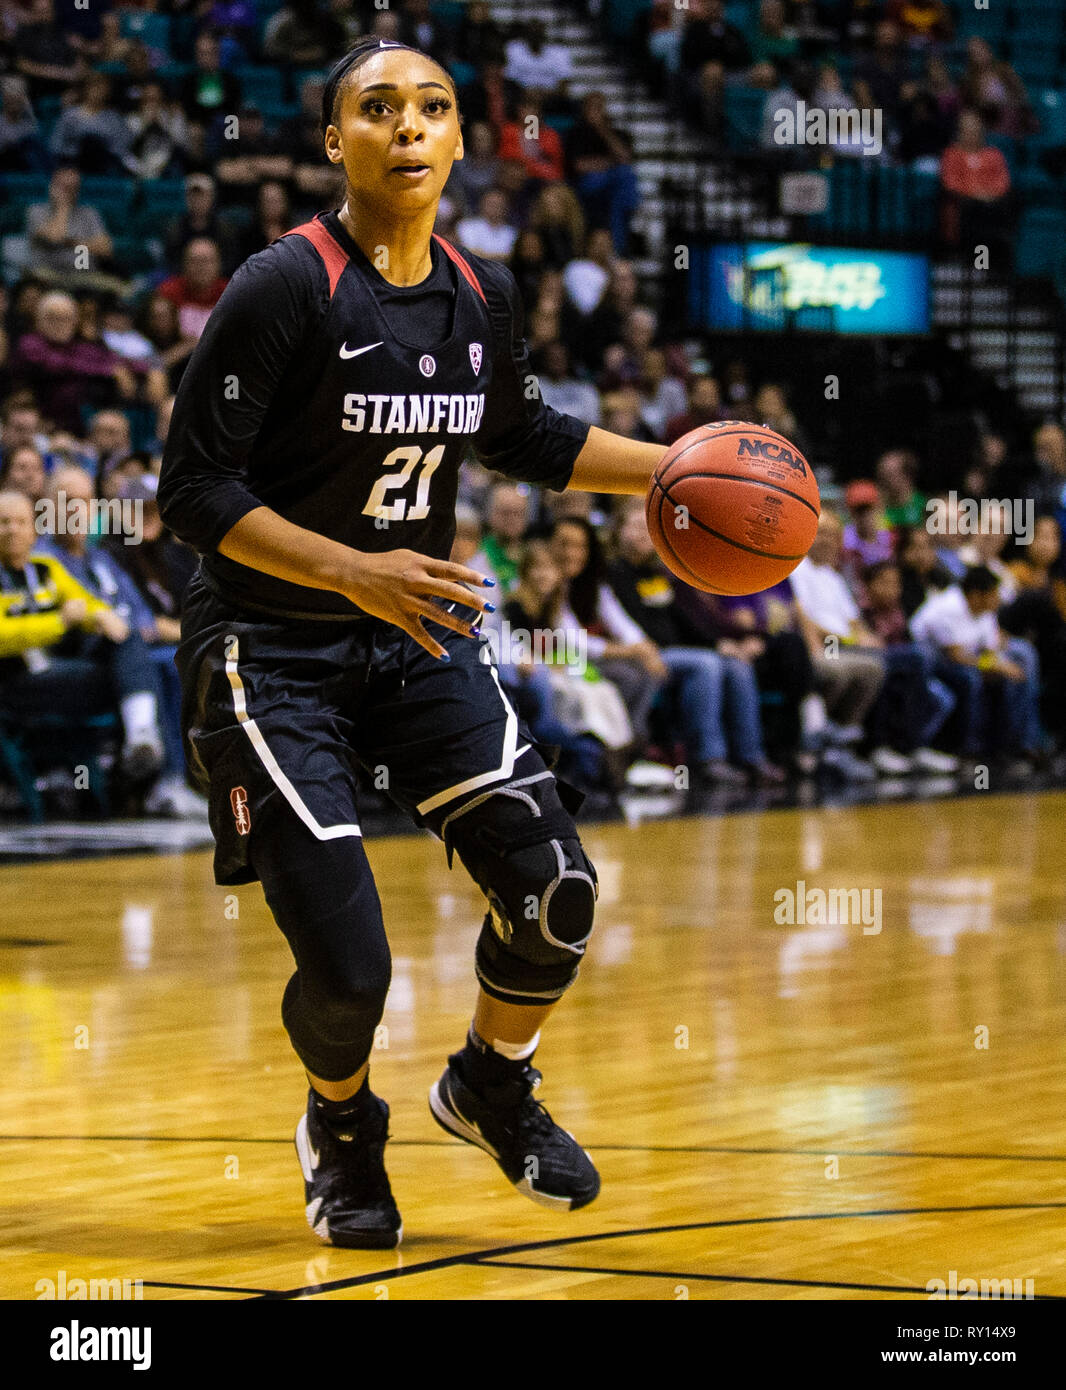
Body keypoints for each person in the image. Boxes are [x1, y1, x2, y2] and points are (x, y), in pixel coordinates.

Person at [157, 36, 669, 1249]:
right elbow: (191, 491)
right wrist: (354, 570)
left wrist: (681, 470)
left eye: (433, 107)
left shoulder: (479, 292)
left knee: (557, 894)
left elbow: (524, 435)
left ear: (457, 137)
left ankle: (490, 1084)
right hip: (266, 648)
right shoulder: (284, 285)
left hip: (415, 636)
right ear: (335, 142)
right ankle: (340, 1124)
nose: (409, 126)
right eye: (377, 108)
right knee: (349, 976)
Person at [910, 565, 1041, 767]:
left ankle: (1013, 746)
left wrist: (1000, 666)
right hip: (928, 663)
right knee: (971, 679)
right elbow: (955, 656)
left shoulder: (985, 610)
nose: (997, 600)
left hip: (964, 660)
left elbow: (989, 651)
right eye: (993, 595)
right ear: (976, 595)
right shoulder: (948, 607)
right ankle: (968, 748)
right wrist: (995, 666)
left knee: (1013, 673)